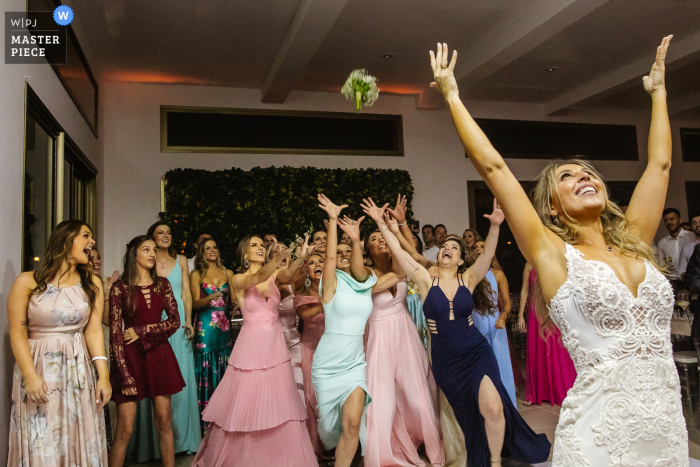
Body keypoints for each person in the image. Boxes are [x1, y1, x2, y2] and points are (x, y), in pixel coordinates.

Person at [430, 37, 688, 465]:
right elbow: (494, 167)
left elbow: (659, 165)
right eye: (568, 176)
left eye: (589, 172)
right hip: (601, 432)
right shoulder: (552, 254)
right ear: (551, 203)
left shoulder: (636, 239)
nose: (584, 175)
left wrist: (659, 93)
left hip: (665, 426)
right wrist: (453, 97)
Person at [369, 196, 550, 466]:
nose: (448, 249)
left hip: (476, 352)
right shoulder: (424, 278)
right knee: (468, 415)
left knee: (493, 406)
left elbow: (487, 254)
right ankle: (481, 452)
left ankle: (496, 462)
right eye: (445, 246)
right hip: (446, 361)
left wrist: (496, 226)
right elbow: (400, 252)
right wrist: (382, 226)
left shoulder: (469, 278)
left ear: (460, 259)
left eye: (454, 247)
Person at [192, 238, 317, 467]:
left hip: (275, 345)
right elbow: (256, 278)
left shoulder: (275, 275)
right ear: (244, 254)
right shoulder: (238, 278)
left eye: (262, 245)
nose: (260, 248)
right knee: (248, 401)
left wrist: (303, 256)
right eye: (255, 245)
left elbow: (289, 275)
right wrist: (276, 260)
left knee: (278, 400)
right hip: (251, 345)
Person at [7, 220, 110, 466]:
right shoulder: (27, 281)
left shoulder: (92, 283)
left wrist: (103, 375)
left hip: (78, 369)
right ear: (66, 241)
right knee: (42, 435)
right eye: (86, 236)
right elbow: (17, 333)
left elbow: (93, 332)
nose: (92, 242)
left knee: (78, 433)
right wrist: (30, 376)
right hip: (39, 367)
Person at [312, 194, 401, 467]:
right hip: (327, 365)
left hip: (354, 365)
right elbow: (327, 259)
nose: (343, 256)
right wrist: (333, 221)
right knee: (329, 431)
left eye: (347, 252)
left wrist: (359, 236)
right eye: (338, 253)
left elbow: (395, 272)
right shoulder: (329, 286)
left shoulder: (365, 284)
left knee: (352, 425)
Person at [361, 196, 444, 467]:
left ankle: (426, 442)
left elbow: (409, 256)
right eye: (373, 238)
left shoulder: (399, 265)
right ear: (367, 249)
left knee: (416, 393)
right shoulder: (363, 272)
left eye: (381, 236)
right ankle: (386, 446)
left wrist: (397, 225)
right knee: (383, 396)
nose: (380, 241)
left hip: (404, 332)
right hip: (378, 336)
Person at [126, 222, 201, 461]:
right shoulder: (145, 262)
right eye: (161, 233)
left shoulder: (181, 260)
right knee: (149, 379)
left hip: (176, 323)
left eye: (169, 233)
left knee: (177, 381)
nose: (166, 236)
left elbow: (186, 293)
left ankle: (183, 440)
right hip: (150, 320)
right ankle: (150, 447)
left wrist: (188, 320)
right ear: (150, 238)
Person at [109, 235, 185, 467]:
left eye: (154, 250)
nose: (153, 254)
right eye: (146, 250)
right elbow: (115, 335)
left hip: (160, 356)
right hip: (130, 359)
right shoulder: (119, 288)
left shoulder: (164, 284)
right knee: (125, 430)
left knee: (164, 422)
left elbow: (175, 322)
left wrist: (142, 329)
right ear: (134, 255)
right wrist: (123, 374)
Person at [189, 238, 234, 430]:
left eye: (215, 247)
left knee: (224, 364)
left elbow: (233, 301)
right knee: (206, 366)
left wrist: (237, 304)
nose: (212, 250)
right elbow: (194, 304)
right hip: (205, 326)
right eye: (208, 248)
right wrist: (209, 298)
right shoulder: (196, 274)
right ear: (201, 252)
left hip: (224, 325)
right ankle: (206, 421)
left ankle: (225, 416)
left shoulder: (228, 272)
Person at [517, 263, 576, 407]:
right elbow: (524, 291)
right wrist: (520, 316)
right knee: (537, 349)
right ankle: (535, 393)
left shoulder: (554, 259)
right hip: (535, 311)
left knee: (556, 350)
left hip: (553, 309)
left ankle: (559, 390)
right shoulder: (529, 265)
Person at [472, 240, 516, 407]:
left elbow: (507, 302)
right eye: (475, 248)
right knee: (480, 363)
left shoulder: (498, 274)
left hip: (495, 322)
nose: (478, 249)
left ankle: (506, 404)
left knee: (500, 362)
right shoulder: (471, 274)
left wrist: (503, 317)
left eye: (482, 247)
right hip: (475, 321)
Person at [294, 252, 328, 460]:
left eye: (320, 261)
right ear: (306, 270)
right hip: (311, 348)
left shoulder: (336, 289)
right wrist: (327, 303)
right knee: (314, 398)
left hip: (334, 348)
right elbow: (304, 315)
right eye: (311, 263)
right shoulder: (301, 294)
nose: (316, 265)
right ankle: (316, 449)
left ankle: (334, 444)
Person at [658, 207, 697, 291]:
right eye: (665, 220)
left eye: (671, 219)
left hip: (691, 279)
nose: (668, 222)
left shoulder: (692, 236)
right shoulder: (662, 243)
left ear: (679, 220)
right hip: (672, 282)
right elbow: (662, 265)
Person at [678, 214, 700, 280]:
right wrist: (690, 279)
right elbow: (680, 271)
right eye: (694, 223)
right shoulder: (686, 249)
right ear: (691, 226)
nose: (698, 225)